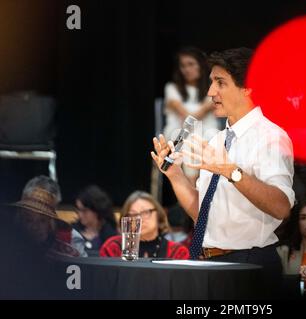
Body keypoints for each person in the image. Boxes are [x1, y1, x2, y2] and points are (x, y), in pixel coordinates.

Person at [151, 47, 295, 297]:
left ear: (248, 87)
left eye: (220, 83)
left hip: (248, 264)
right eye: (211, 83)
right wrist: (174, 174)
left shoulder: (271, 137)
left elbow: (281, 206)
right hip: (207, 261)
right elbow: (201, 211)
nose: (210, 93)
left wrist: (231, 171)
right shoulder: (217, 140)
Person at [163, 47, 220, 185]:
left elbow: (190, 117)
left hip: (207, 133)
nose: (186, 69)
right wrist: (205, 107)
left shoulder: (212, 88)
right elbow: (190, 118)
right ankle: (193, 185)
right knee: (190, 139)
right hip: (178, 134)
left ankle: (194, 188)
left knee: (197, 138)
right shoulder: (172, 88)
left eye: (191, 64)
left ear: (200, 65)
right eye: (183, 66)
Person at [100, 191, 189, 259]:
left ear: (158, 215)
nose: (139, 219)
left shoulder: (177, 252)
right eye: (133, 214)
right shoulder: (113, 247)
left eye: (146, 212)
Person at [72, 185, 118, 256]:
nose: (80, 214)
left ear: (97, 210)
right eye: (78, 209)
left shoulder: (111, 235)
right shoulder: (72, 231)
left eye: (84, 210)